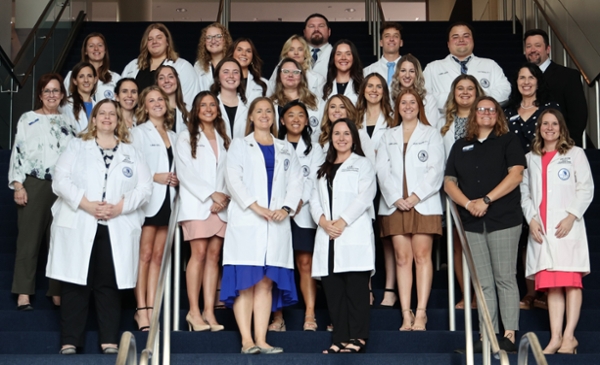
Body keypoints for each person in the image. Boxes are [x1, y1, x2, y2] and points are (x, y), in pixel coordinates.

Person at [47, 99, 152, 355]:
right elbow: (60, 180)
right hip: (82, 220)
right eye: (101, 113)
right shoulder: (77, 146)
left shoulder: (131, 151)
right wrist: (87, 204)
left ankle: (109, 341)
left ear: (118, 120)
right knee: (75, 283)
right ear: (93, 119)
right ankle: (70, 341)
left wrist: (119, 208)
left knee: (109, 285)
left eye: (112, 114)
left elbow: (145, 188)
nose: (106, 117)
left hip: (115, 225)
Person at [221, 97, 303, 354]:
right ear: (251, 117)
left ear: (275, 117)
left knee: (266, 282)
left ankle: (262, 339)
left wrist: (286, 208)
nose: (264, 114)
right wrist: (256, 207)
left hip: (276, 222)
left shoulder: (285, 148)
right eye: (259, 111)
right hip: (249, 220)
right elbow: (232, 179)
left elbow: (297, 180)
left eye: (269, 110)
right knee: (246, 281)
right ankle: (247, 340)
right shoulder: (239, 145)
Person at [444, 96, 525, 353]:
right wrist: (469, 205)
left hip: (503, 220)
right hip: (472, 222)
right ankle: (487, 336)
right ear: (474, 115)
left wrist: (487, 199)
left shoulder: (508, 140)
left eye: (491, 109)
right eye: (481, 109)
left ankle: (509, 335)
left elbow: (516, 175)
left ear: (498, 114)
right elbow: (449, 183)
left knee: (504, 278)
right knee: (483, 282)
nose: (486, 113)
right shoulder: (460, 145)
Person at [520, 109, 593, 355]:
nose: (549, 128)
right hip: (542, 230)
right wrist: (531, 220)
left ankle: (570, 337)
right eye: (544, 124)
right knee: (552, 286)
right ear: (539, 128)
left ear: (561, 128)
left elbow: (586, 188)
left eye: (554, 124)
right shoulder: (530, 158)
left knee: (571, 283)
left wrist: (571, 216)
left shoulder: (575, 154)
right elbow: (525, 194)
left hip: (565, 228)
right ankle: (555, 337)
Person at [376, 89, 444, 331]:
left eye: (412, 102)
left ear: (419, 106)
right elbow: (381, 171)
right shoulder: (387, 135)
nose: (407, 106)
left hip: (423, 203)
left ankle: (422, 313)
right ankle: (406, 314)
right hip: (395, 205)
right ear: (397, 107)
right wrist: (396, 198)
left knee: (421, 257)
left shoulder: (432, 134)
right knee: (402, 259)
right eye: (403, 102)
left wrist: (415, 197)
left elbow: (436, 169)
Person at [8, 73, 77, 311]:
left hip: (63, 187)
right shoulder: (28, 118)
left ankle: (56, 291)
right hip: (35, 183)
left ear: (62, 95)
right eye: (47, 91)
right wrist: (18, 184)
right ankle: (24, 292)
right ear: (40, 94)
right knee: (29, 240)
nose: (51, 95)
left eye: (56, 90)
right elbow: (18, 152)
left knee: (59, 240)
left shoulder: (70, 123)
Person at [310, 118, 377, 353]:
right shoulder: (323, 168)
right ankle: (339, 339)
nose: (341, 138)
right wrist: (323, 222)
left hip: (351, 233)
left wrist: (341, 222)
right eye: (337, 133)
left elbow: (365, 196)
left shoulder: (363, 164)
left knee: (355, 291)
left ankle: (357, 338)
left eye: (346, 134)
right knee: (334, 293)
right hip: (327, 235)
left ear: (354, 138)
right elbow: (314, 199)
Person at [175, 91, 231, 332]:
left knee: (214, 257)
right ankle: (193, 311)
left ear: (218, 109)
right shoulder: (185, 137)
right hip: (197, 204)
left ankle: (209, 311)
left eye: (212, 105)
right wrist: (211, 194)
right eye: (203, 105)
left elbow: (231, 172)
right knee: (197, 254)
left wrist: (224, 197)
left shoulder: (225, 137)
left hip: (221, 206)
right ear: (196, 109)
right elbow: (185, 173)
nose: (208, 109)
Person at [267, 101, 324, 333]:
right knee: (278, 264)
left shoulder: (315, 149)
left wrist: (297, 202)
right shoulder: (273, 145)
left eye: (301, 115)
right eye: (291, 115)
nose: (296, 119)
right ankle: (277, 316)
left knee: (304, 263)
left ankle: (310, 313)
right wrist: (283, 205)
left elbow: (314, 180)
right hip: (276, 213)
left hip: (303, 212)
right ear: (282, 120)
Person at [130, 86, 178, 331]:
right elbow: (131, 166)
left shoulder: (175, 134)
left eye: (160, 99)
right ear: (144, 106)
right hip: (149, 201)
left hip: (169, 202)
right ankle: (141, 310)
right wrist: (156, 176)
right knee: (145, 256)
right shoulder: (138, 133)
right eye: (152, 100)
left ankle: (152, 306)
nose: (158, 103)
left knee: (159, 257)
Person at [439, 74, 485, 309]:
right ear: (453, 93)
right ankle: (466, 294)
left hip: (479, 192)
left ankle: (480, 295)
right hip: (453, 192)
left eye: (470, 88)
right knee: (458, 246)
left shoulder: (485, 120)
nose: (465, 92)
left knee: (477, 245)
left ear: (477, 93)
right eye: (460, 88)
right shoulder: (443, 122)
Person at [355, 73, 396, 307]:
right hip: (360, 184)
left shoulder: (392, 117)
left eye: (378, 86)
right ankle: (367, 287)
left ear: (384, 91)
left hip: (387, 184)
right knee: (363, 237)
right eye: (369, 86)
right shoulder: (355, 117)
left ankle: (389, 288)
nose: (373, 90)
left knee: (388, 238)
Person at [423, 22, 511, 112]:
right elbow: (424, 96)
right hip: (445, 122)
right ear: (448, 44)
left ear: (473, 40)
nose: (461, 40)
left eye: (466, 36)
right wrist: (457, 98)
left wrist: (475, 97)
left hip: (483, 120)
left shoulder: (490, 65)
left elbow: (505, 91)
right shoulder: (432, 67)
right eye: (455, 37)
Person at [524, 29, 587, 147]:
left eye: (538, 45)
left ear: (548, 49)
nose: (532, 50)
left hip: (562, 146)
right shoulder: (520, 79)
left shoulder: (568, 76)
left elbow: (578, 115)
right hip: (529, 149)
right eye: (528, 46)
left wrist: (567, 143)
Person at [122, 23, 199, 107]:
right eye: (150, 39)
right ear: (146, 43)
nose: (154, 42)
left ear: (167, 41)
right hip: (136, 118)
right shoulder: (132, 66)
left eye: (159, 38)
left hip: (171, 118)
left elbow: (191, 101)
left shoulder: (183, 66)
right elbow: (122, 96)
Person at [504, 62, 560, 153]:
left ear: (538, 82)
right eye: (522, 78)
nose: (526, 82)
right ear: (516, 82)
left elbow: (559, 137)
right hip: (515, 164)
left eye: (531, 77)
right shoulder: (508, 111)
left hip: (543, 161)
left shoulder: (550, 108)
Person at [270, 57, 323, 142]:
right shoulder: (270, 103)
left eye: (295, 72)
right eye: (286, 71)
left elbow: (323, 133)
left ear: (301, 76)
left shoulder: (317, 102)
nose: (290, 75)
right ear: (279, 76)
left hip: (309, 152)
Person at [318, 94, 375, 167]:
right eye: (333, 107)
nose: (337, 110)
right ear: (327, 111)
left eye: (342, 107)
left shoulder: (360, 133)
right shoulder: (324, 136)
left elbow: (371, 162)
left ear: (348, 110)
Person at [63, 33, 120, 101]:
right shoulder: (72, 75)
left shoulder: (115, 78)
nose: (96, 48)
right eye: (91, 46)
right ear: (85, 51)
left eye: (100, 45)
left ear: (105, 50)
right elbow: (63, 103)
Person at [267, 34, 326, 100]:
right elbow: (269, 98)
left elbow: (321, 105)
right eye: (291, 49)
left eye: (300, 49)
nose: (296, 53)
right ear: (286, 53)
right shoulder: (278, 73)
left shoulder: (319, 79)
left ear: (305, 53)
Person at [390, 54, 439, 128]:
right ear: (397, 73)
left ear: (417, 74)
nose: (407, 75)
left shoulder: (428, 99)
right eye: (403, 70)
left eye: (412, 71)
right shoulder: (389, 97)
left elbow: (432, 127)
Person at [209, 57, 249, 139]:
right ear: (218, 77)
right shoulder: (210, 106)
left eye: (235, 72)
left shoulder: (248, 108)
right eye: (226, 72)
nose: (231, 76)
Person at [227, 38, 268, 105]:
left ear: (252, 57)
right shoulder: (222, 81)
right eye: (239, 50)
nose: (244, 54)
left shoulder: (264, 84)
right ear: (232, 54)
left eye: (248, 51)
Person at [322, 40, 363, 104]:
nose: (343, 57)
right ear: (333, 58)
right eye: (339, 54)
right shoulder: (324, 87)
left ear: (354, 58)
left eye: (348, 54)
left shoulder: (362, 86)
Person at [194, 23, 233, 91]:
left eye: (218, 36)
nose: (213, 41)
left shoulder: (233, 63)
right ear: (204, 42)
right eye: (209, 37)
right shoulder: (199, 65)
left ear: (225, 40)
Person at [62, 61, 98, 133]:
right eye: (81, 76)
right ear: (75, 81)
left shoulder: (98, 106)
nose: (86, 80)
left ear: (95, 79)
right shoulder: (66, 105)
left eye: (89, 76)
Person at [155, 65, 190, 133]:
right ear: (157, 83)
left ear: (177, 80)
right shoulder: (153, 109)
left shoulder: (188, 110)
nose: (167, 81)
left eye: (170, 76)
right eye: (161, 78)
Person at [303, 13, 332, 79]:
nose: (316, 29)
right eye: (311, 26)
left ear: (329, 31)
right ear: (304, 32)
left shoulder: (338, 55)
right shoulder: (292, 56)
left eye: (321, 26)